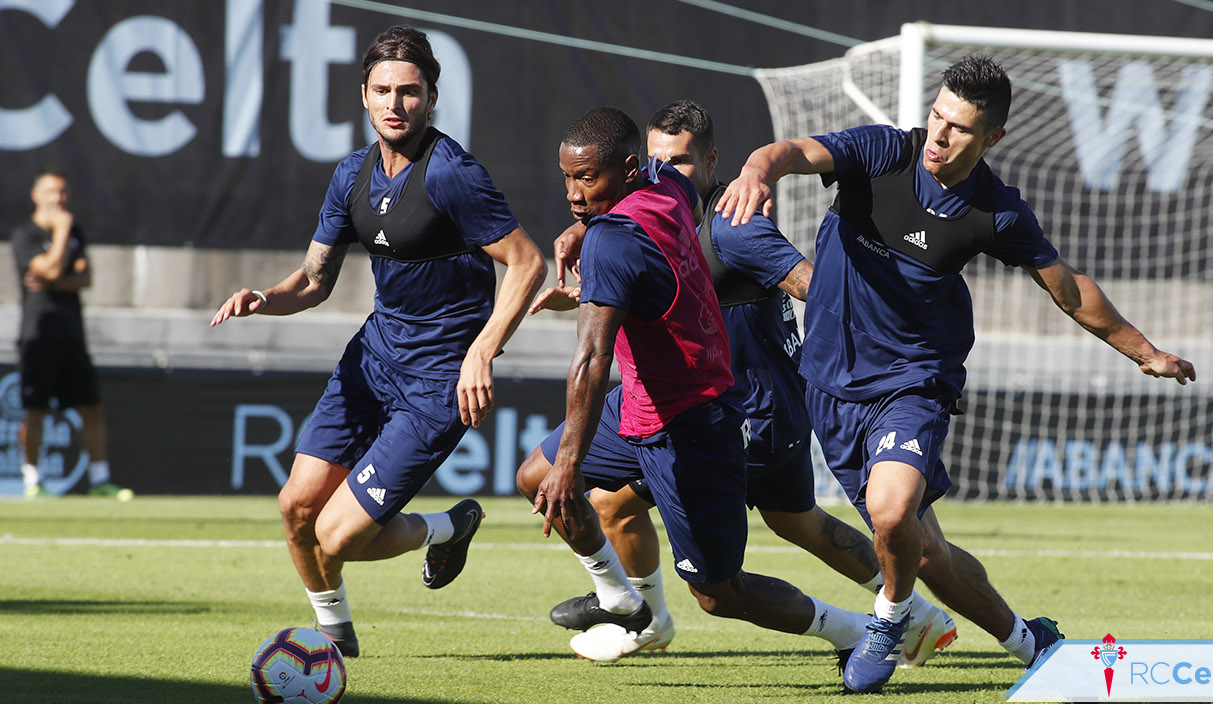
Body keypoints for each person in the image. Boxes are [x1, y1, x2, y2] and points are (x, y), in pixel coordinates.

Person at [718, 55, 1196, 694]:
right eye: (938, 116)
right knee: (923, 553)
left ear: (992, 137)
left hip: (913, 381)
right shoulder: (883, 152)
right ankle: (1034, 644)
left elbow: (1071, 289)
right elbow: (794, 151)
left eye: (960, 128)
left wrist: (1145, 352)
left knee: (891, 516)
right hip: (830, 384)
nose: (939, 136)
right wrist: (756, 170)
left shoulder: (995, 211)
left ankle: (888, 623)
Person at [537, 100, 956, 667]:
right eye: (569, 178)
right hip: (691, 400)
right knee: (794, 522)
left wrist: (887, 332)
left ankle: (881, 625)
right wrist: (582, 226)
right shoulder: (668, 197)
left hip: (738, 412)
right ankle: (637, 612)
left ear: (710, 161)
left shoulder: (731, 228)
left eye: (682, 160)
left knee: (718, 582)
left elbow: (812, 286)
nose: (574, 191)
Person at [210, 26, 545, 658]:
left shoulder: (452, 174)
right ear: (363, 95)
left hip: (437, 381)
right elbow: (314, 280)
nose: (396, 104)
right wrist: (265, 299)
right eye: (383, 90)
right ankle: (335, 637)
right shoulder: (350, 177)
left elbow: (527, 263)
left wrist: (481, 351)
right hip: (373, 360)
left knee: (335, 537)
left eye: (410, 92)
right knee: (295, 509)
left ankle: (443, 528)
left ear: (432, 97)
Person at [12, 170, 133, 501]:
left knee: (90, 406)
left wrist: (53, 279)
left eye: (63, 193)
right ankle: (32, 479)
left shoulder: (76, 231)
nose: (59, 199)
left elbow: (84, 277)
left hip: (72, 332)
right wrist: (61, 234)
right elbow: (49, 267)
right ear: (36, 195)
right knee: (35, 409)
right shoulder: (25, 234)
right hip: (38, 331)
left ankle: (100, 479)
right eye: (52, 192)